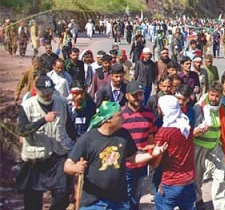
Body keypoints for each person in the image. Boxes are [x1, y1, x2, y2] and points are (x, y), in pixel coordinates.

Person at [64, 101, 168, 209]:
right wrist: (75, 168)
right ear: (108, 119)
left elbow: (133, 158)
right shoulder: (88, 139)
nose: (123, 117)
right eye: (119, 115)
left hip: (119, 200)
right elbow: (68, 165)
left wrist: (152, 154)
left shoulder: (123, 134)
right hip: (94, 201)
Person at [16, 75, 75, 210]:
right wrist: (43, 120)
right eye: (45, 92)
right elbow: (22, 130)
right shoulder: (27, 106)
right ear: (36, 90)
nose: (48, 95)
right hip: (36, 158)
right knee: (32, 200)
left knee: (62, 195)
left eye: (50, 92)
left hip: (58, 154)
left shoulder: (62, 102)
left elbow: (70, 129)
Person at [152, 95, 197, 210]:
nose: (159, 111)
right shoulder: (187, 128)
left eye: (159, 108)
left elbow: (155, 163)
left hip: (170, 183)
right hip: (189, 181)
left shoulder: (164, 132)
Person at [193, 83, 225, 210]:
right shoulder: (199, 107)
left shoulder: (221, 108)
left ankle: (221, 207)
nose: (214, 98)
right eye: (212, 95)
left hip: (216, 147)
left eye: (217, 96)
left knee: (220, 178)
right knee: (197, 178)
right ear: (208, 93)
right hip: (199, 147)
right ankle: (198, 200)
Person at [121, 82, 158, 210]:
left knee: (137, 196)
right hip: (125, 165)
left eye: (140, 94)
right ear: (127, 96)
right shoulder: (120, 115)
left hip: (142, 165)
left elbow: (152, 137)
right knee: (125, 196)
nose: (138, 98)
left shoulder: (149, 115)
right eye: (134, 95)